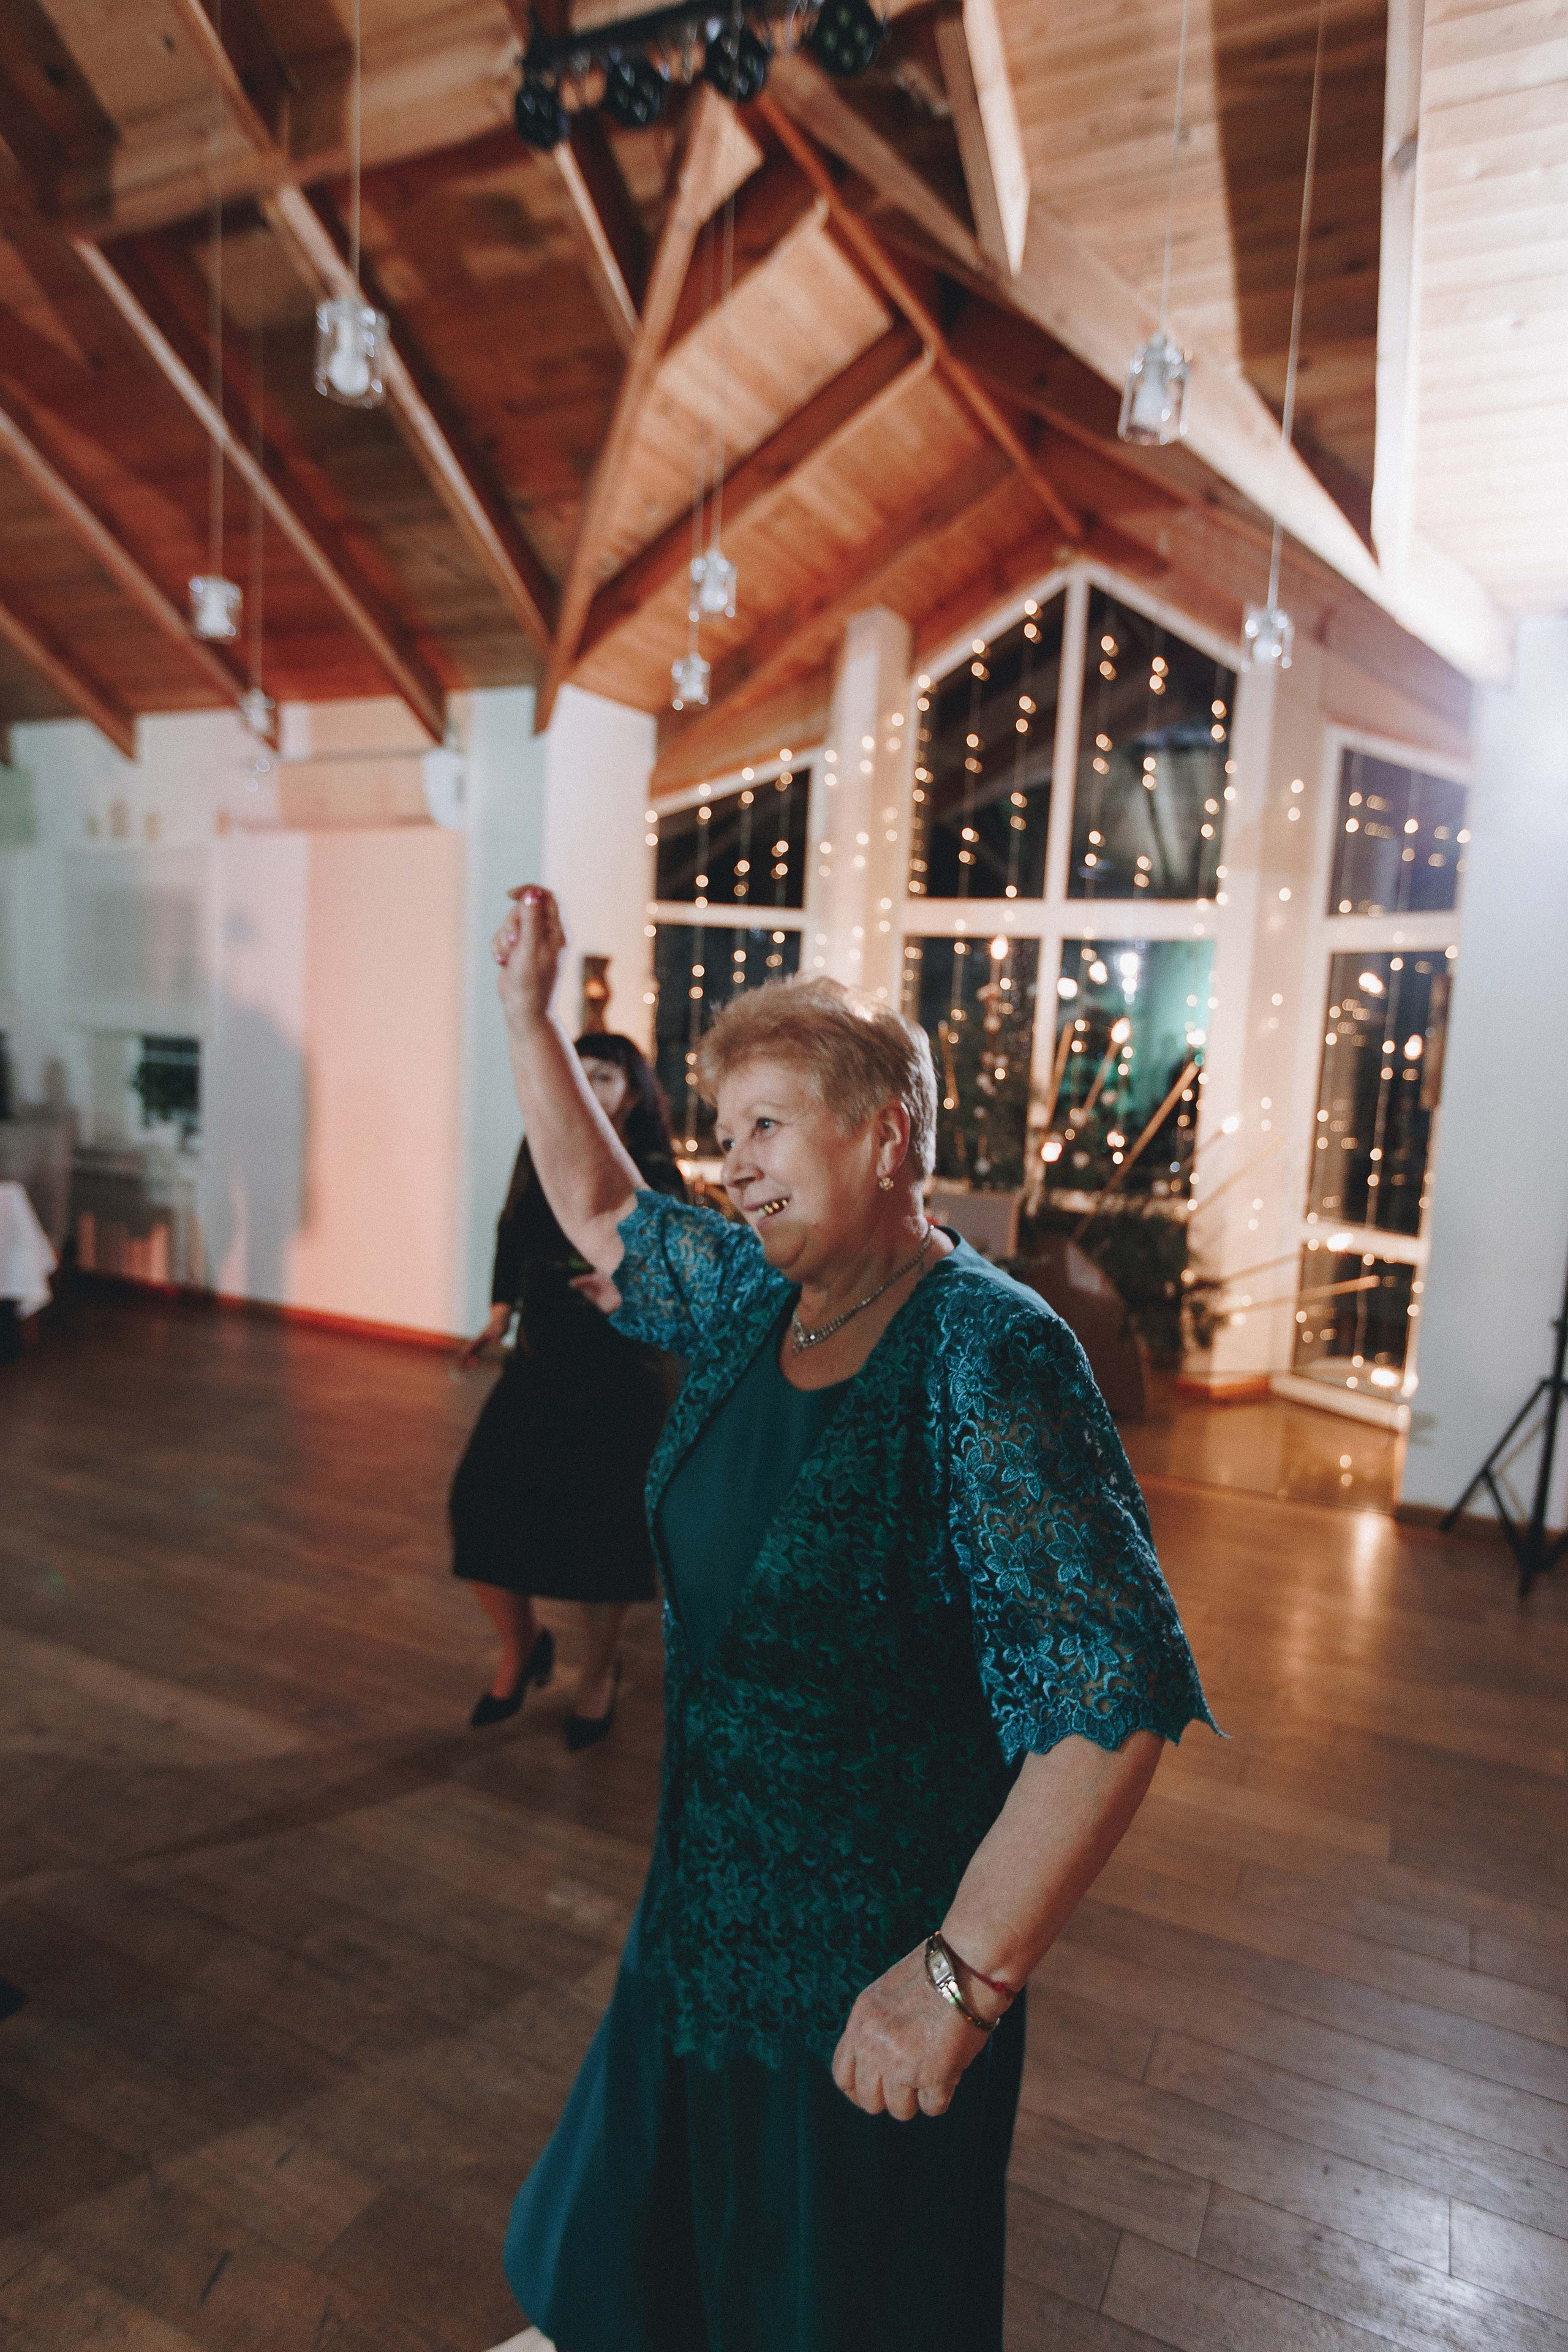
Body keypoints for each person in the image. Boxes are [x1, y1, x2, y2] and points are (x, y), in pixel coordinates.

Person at [491, 886, 1216, 2352]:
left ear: (886, 1133)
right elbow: (605, 1208)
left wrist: (958, 1978)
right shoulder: (760, 1300)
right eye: (724, 1128)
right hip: (697, 1921)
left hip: (864, 1971)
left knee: (834, 2298)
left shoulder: (989, 1350)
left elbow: (1108, 1694)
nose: (729, 1163)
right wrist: (524, 1016)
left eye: (765, 1125)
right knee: (659, 2271)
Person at [450, 1029, 685, 1742]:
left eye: (605, 1077)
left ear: (634, 1092)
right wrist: (499, 1314)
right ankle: (523, 1648)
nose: (589, 1088)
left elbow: (674, 1253)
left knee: (606, 1533)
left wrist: (626, 1280)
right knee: (478, 1503)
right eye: (578, 1075)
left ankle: (600, 1672)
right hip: (544, 1351)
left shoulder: (651, 1164)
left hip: (625, 1365)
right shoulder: (540, 1141)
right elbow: (513, 1223)